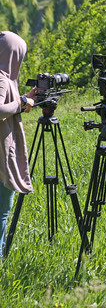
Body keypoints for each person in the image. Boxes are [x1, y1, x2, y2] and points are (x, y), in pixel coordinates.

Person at [0, 31, 37, 259]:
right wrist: (21, 103)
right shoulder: (2, 77)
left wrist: (23, 99)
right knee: (2, 211)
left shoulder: (6, 78)